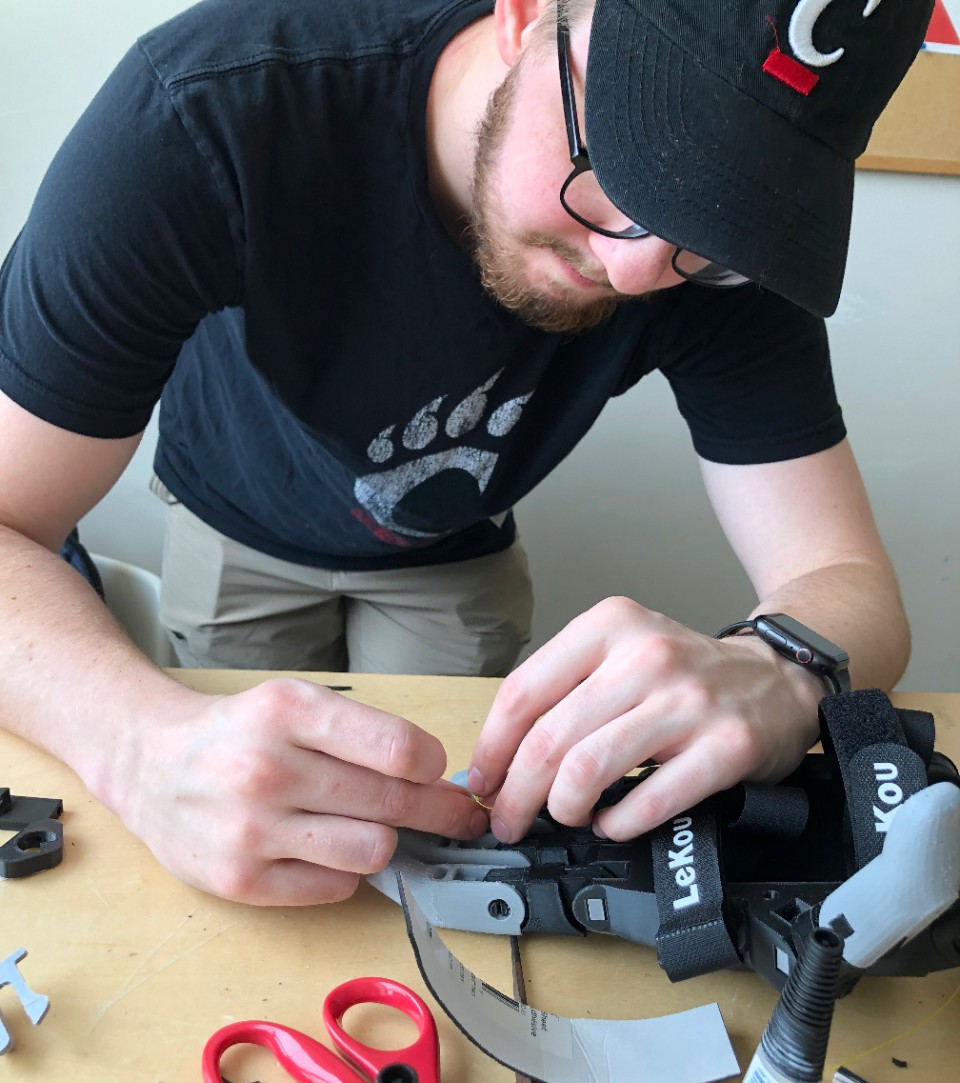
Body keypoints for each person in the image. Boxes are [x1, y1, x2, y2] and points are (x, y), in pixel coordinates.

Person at [0, 0, 930, 905]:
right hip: (236, 521)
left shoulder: (719, 250)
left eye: (707, 220)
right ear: (526, 14)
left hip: (453, 553)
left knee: (453, 815)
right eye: (619, 154)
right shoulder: (203, 112)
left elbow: (846, 577)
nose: (639, 270)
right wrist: (140, 746)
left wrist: (780, 666)